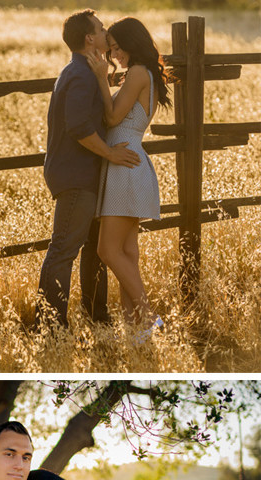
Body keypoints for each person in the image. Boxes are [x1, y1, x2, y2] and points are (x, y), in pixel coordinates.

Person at [36, 9, 141, 330]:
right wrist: (109, 152)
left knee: (95, 251)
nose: (106, 31)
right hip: (77, 175)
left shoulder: (86, 71)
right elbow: (78, 126)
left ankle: (98, 319)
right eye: (101, 28)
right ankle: (50, 327)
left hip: (88, 175)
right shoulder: (79, 74)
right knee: (63, 249)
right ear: (89, 38)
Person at [86, 17, 170, 339]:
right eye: (112, 49)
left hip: (125, 164)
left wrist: (100, 78)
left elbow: (111, 116)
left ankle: (148, 317)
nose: (114, 55)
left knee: (108, 251)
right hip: (128, 163)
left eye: (118, 48)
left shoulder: (136, 73)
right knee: (127, 252)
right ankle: (135, 330)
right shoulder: (144, 73)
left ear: (132, 44)